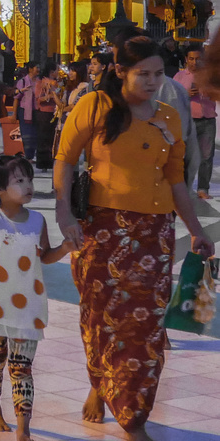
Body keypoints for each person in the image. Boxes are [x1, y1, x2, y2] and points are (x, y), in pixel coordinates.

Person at [54, 33, 214, 439]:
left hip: (153, 236)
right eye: (143, 73)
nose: (152, 82)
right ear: (120, 71)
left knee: (145, 328)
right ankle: (97, 385)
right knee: (99, 319)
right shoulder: (96, 105)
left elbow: (176, 180)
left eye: (158, 74)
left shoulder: (168, 115)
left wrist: (195, 231)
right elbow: (65, 159)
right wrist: (63, 213)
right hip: (101, 231)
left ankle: (133, 417)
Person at [0, 137, 68, 440]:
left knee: (22, 367)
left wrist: (65, 249)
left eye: (29, 179)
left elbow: (45, 256)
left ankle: (24, 428)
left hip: (28, 305)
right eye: (19, 180)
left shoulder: (37, 220)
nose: (27, 185)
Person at [178, 41, 215, 198]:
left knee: (206, 155)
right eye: (191, 59)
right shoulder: (179, 77)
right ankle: (184, 187)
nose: (195, 62)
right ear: (186, 59)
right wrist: (186, 93)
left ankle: (203, 188)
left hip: (207, 119)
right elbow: (173, 98)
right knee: (184, 155)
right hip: (187, 121)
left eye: (198, 59)